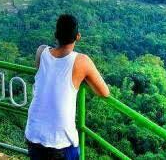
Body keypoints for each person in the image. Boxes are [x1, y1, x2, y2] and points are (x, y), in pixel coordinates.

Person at [24, 14, 110, 160]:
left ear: (55, 35)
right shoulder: (82, 61)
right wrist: (82, 78)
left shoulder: (41, 52)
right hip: (61, 141)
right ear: (78, 36)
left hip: (34, 134)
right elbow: (104, 92)